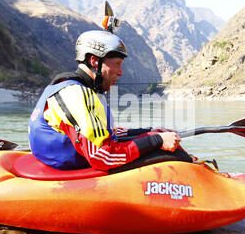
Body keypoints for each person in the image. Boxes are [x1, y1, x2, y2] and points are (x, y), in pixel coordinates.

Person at [28, 30, 191, 171]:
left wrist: (150, 131)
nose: (120, 73)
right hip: (69, 167)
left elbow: (105, 132)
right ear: (94, 61)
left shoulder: (74, 88)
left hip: (61, 160)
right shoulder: (76, 94)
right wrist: (157, 140)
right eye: (117, 64)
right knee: (174, 154)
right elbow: (103, 156)